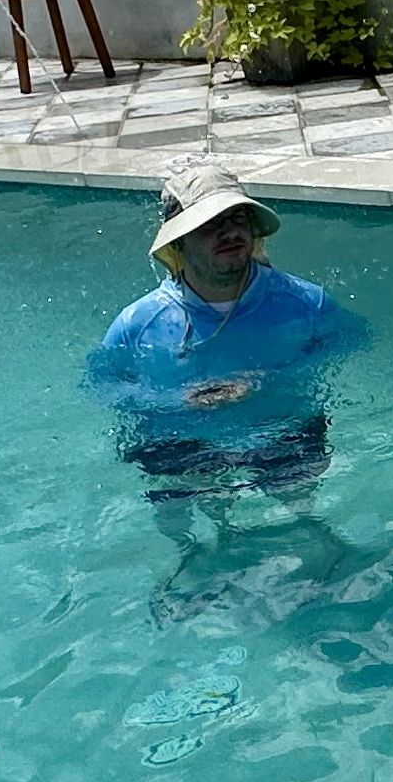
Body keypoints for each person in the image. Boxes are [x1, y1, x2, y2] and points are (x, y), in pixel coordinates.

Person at [89, 159, 370, 545]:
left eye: (238, 218)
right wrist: (176, 400)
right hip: (182, 442)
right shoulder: (138, 324)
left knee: (299, 500)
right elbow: (102, 387)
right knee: (175, 502)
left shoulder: (305, 303)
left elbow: (352, 343)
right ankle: (189, 552)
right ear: (179, 241)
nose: (230, 232)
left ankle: (314, 539)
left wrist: (268, 381)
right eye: (210, 225)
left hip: (280, 428)